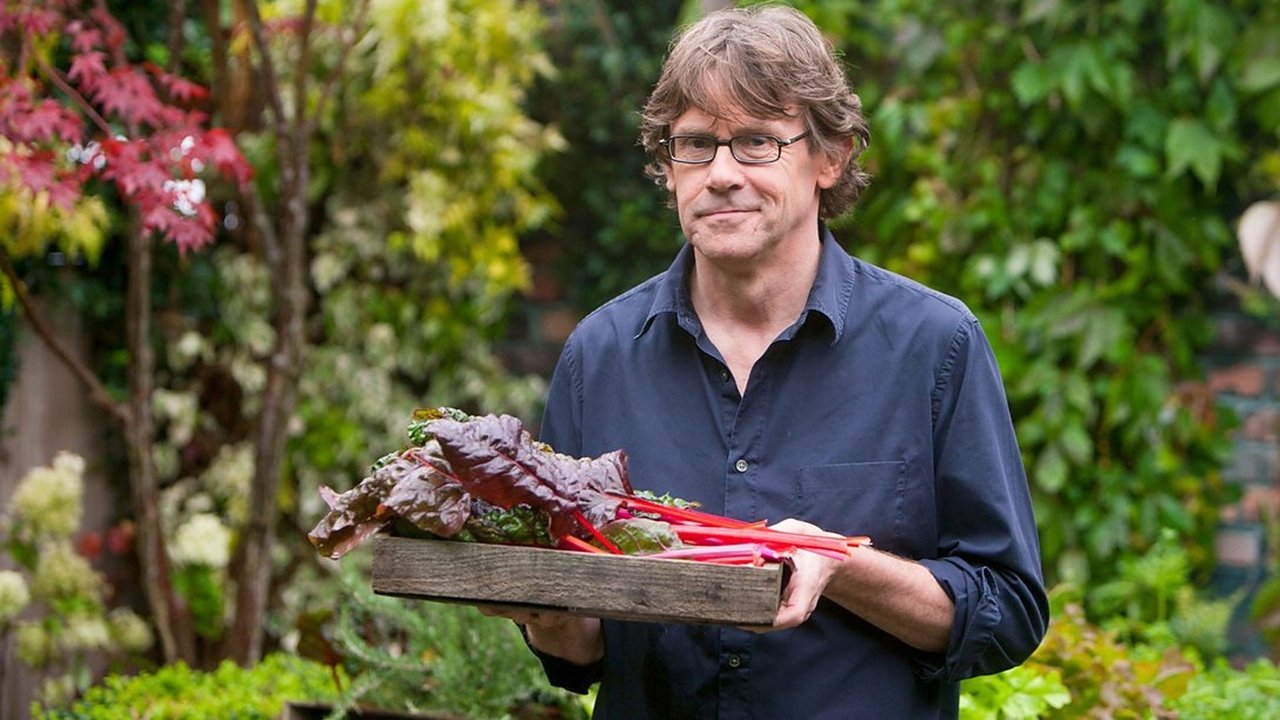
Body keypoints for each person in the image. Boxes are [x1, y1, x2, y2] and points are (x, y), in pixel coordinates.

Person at [499, 6, 1048, 718]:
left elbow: (1008, 613)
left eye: (757, 141)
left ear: (831, 157)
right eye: (695, 144)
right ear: (668, 167)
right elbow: (582, 648)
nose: (721, 174)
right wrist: (546, 615)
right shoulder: (599, 355)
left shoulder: (934, 346)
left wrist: (841, 564)